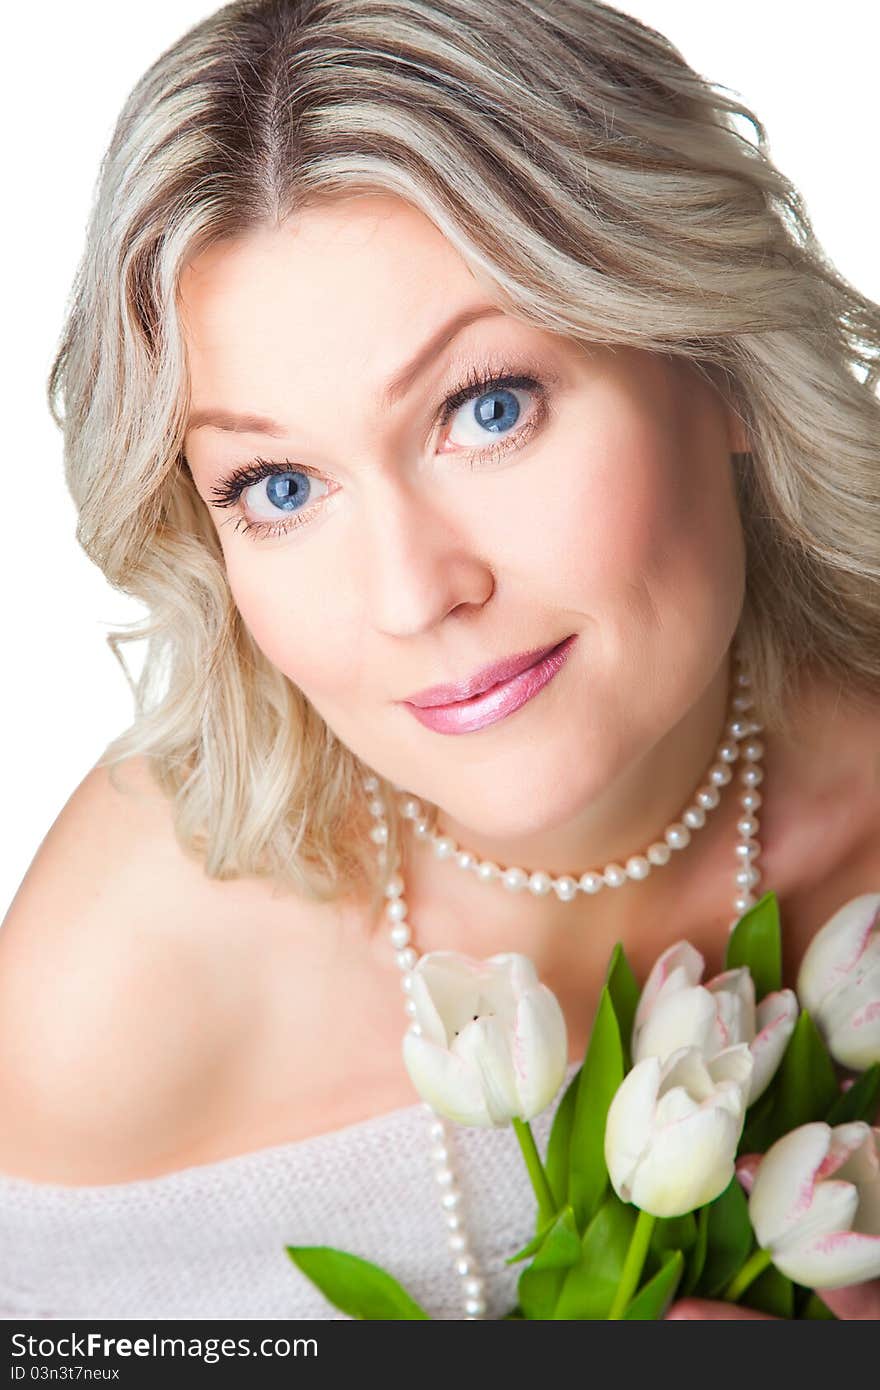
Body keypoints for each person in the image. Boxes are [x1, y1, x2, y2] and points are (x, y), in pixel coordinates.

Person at [1, 0, 878, 1322]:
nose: (414, 595)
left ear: (722, 367)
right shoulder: (124, 981)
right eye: (282, 483)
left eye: (487, 408)